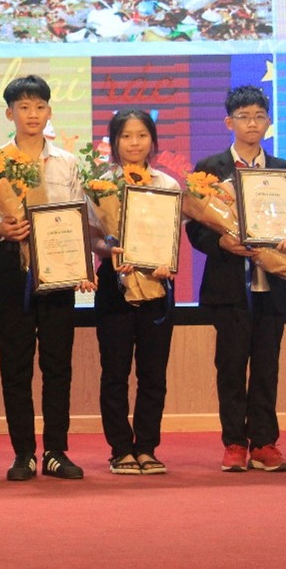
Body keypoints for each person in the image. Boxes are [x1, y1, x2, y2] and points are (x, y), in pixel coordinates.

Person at [185, 86, 286, 472]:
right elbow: (195, 228)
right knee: (231, 367)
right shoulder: (210, 168)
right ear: (228, 122)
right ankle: (234, 442)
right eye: (244, 117)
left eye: (259, 116)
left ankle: (264, 443)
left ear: (268, 122)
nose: (252, 123)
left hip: (273, 286)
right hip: (229, 286)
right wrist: (221, 242)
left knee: (267, 368)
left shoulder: (283, 170)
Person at [0, 75, 94, 481]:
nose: (32, 114)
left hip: (58, 270)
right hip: (12, 267)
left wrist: (81, 266)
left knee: (57, 364)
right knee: (14, 364)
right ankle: (23, 453)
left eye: (39, 107)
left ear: (49, 111)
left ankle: (55, 451)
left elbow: (78, 216)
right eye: (23, 107)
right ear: (9, 113)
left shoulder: (66, 161)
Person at [93, 109, 178, 475]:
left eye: (141, 135)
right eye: (126, 136)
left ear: (152, 140)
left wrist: (166, 263)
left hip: (157, 287)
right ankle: (120, 449)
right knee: (114, 372)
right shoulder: (100, 186)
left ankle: (146, 447)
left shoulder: (167, 185)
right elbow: (93, 238)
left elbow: (171, 241)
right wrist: (108, 249)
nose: (134, 143)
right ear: (114, 142)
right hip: (115, 287)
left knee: (153, 374)